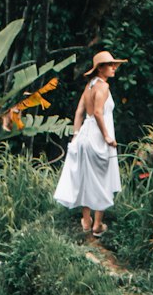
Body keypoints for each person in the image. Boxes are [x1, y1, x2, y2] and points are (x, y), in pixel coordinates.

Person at [53, 50, 126, 236]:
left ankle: (86, 220)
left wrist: (76, 135)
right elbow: (99, 113)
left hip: (85, 134)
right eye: (110, 65)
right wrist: (107, 136)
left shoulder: (89, 86)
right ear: (100, 68)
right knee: (103, 178)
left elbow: (79, 112)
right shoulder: (103, 87)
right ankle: (97, 225)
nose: (113, 68)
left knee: (87, 177)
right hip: (98, 136)